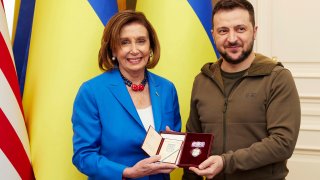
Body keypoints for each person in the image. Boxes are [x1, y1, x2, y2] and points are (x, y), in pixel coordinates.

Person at [182, 0, 301, 179]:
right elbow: (195, 140)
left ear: (254, 32)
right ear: (213, 34)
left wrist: (225, 162)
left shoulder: (277, 78)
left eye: (240, 29)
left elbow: (283, 143)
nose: (231, 38)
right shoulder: (202, 80)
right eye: (223, 30)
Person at [71, 10, 181, 180]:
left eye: (141, 41)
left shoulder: (167, 88)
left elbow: (174, 144)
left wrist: (172, 150)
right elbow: (83, 156)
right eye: (125, 43)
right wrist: (127, 172)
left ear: (150, 46)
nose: (134, 50)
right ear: (113, 50)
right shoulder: (92, 91)